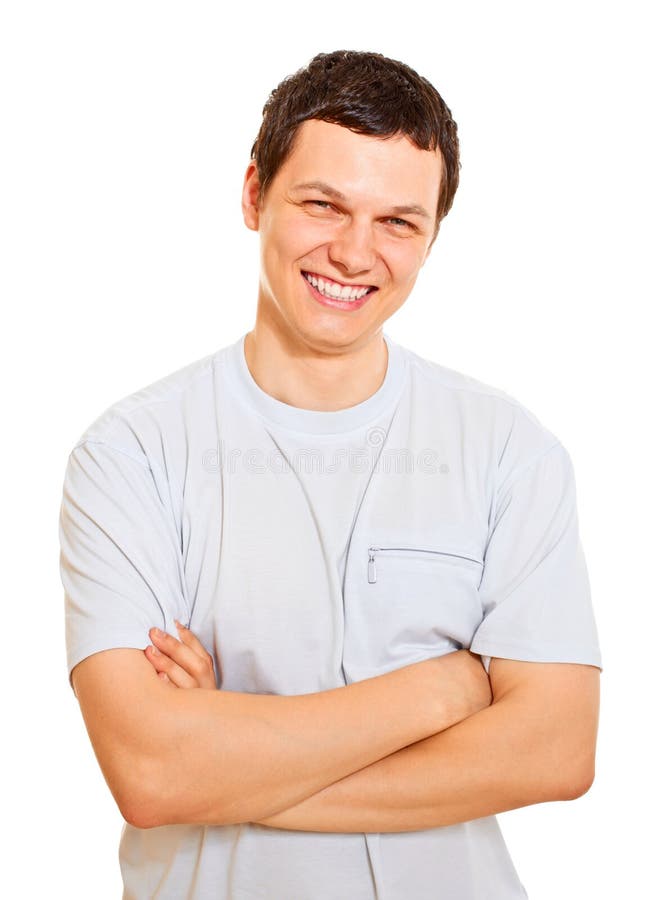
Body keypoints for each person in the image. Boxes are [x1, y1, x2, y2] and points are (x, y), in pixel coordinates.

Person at [59, 49, 602, 900]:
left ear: (430, 237)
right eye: (322, 204)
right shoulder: (132, 455)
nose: (354, 252)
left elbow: (557, 753)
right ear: (253, 197)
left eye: (398, 222)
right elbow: (153, 772)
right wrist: (444, 690)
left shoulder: (508, 450)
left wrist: (230, 764)